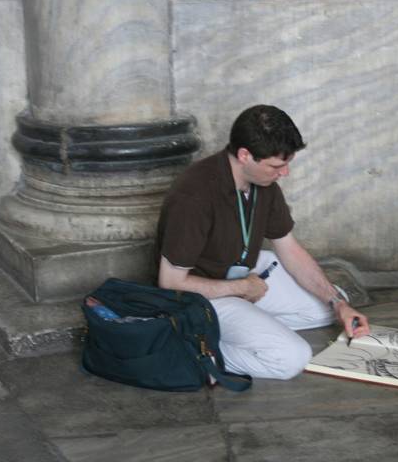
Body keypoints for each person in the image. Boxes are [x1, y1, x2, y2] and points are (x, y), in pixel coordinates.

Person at [156, 104, 370, 380]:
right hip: (198, 295)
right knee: (290, 359)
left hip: (243, 272)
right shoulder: (194, 194)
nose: (285, 173)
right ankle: (185, 344)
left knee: (329, 306)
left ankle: (249, 325)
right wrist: (241, 287)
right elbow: (171, 282)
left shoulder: (262, 183)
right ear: (245, 155)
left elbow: (289, 249)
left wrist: (338, 304)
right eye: (277, 166)